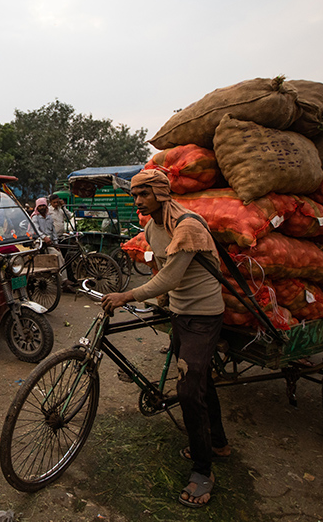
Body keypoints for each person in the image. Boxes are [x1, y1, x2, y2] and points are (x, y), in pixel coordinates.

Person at [99, 169, 227, 509]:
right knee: (200, 381)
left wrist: (128, 296)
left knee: (188, 389)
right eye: (135, 195)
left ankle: (203, 471)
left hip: (204, 316)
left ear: (161, 193)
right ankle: (218, 441)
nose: (138, 201)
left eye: (144, 194)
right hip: (180, 313)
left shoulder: (187, 226)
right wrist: (161, 303)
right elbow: (159, 266)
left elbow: (170, 276)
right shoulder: (152, 227)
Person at [31, 197, 72, 291]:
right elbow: (36, 230)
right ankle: (61, 281)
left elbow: (53, 231)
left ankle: (64, 280)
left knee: (60, 257)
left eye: (43, 206)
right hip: (39, 242)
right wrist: (44, 237)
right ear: (37, 207)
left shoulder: (49, 217)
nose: (42, 207)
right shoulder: (35, 217)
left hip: (50, 243)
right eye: (40, 206)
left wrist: (56, 243)